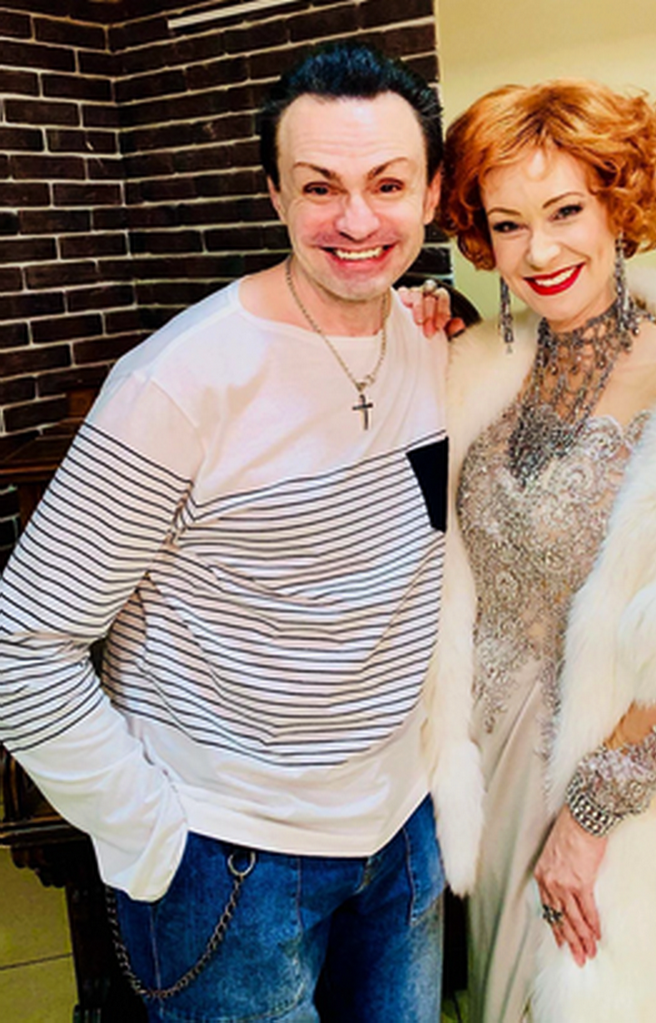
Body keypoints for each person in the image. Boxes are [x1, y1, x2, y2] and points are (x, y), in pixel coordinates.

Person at [0, 42, 449, 1022]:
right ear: (274, 195)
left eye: (386, 184)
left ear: (430, 192)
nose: (357, 220)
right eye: (319, 186)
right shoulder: (178, 383)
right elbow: (22, 646)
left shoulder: (432, 342)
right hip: (230, 860)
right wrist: (152, 836)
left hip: (404, 828)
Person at [414, 79, 656, 1022]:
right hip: (489, 766)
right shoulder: (477, 366)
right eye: (508, 224)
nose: (539, 252)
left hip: (619, 787)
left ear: (620, 204)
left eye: (565, 211)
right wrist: (411, 330)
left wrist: (586, 823)